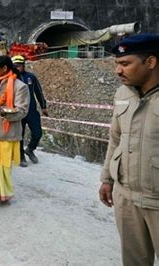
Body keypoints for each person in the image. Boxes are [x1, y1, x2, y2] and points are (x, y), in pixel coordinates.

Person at [99, 33, 159, 266]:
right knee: (134, 261)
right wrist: (107, 179)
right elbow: (115, 139)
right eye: (117, 64)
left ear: (151, 62)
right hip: (126, 198)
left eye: (125, 63)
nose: (118, 71)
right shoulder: (123, 94)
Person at [0, 56, 29, 208]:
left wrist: (4, 112)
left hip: (7, 133)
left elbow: (22, 111)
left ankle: (2, 196)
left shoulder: (20, 86)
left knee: (3, 166)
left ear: (5, 68)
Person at [12, 55, 48, 167]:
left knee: (37, 133)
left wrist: (43, 106)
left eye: (19, 65)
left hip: (32, 110)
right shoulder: (11, 80)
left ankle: (30, 149)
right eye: (15, 66)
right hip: (18, 111)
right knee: (20, 135)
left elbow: (38, 92)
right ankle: (21, 156)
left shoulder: (31, 77)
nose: (18, 67)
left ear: (23, 65)